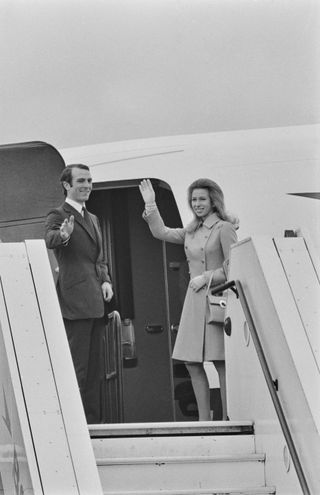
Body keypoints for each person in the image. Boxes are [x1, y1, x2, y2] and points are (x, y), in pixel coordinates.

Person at [139, 178, 238, 421]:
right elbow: (160, 232)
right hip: (194, 303)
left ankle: (227, 419)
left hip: (215, 300)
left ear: (213, 200)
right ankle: (205, 421)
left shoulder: (224, 228)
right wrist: (151, 206)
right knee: (191, 363)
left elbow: (234, 268)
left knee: (220, 363)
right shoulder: (191, 230)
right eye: (193, 200)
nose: (197, 204)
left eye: (202, 199)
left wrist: (206, 277)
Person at [45, 164, 113, 423]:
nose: (87, 185)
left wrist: (105, 280)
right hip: (74, 302)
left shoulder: (93, 218)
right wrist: (63, 235)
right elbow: (49, 238)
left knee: (94, 369)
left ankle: (92, 422)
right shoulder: (58, 213)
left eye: (90, 180)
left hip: (95, 300)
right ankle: (75, 423)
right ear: (67, 185)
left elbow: (99, 259)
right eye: (81, 180)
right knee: (78, 369)